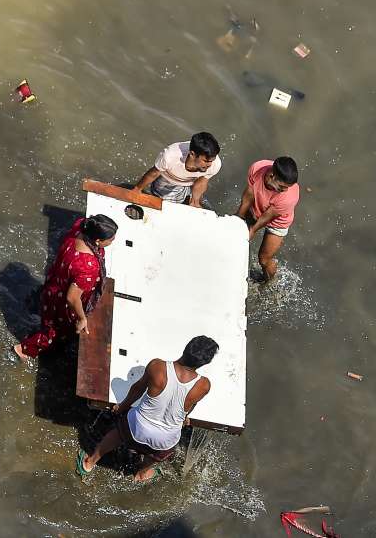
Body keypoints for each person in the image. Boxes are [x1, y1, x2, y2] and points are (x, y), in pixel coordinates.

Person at [78, 336, 219, 482]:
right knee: (163, 449)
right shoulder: (204, 385)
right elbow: (189, 406)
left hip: (135, 430)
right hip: (164, 443)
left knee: (118, 433)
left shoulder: (157, 366)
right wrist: (184, 418)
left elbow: (137, 389)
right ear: (205, 363)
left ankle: (90, 462)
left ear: (186, 348)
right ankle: (141, 474)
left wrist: (122, 407)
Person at [12, 214, 118, 362]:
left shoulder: (80, 228)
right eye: (111, 239)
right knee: (55, 330)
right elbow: (72, 298)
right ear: (98, 241)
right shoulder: (88, 266)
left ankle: (37, 308)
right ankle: (23, 350)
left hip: (57, 281)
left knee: (47, 311)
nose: (113, 241)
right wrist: (82, 319)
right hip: (63, 300)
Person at [235, 156, 300, 281]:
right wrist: (239, 215)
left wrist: (252, 230)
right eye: (281, 187)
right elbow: (249, 194)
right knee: (239, 236)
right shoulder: (258, 168)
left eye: (287, 187)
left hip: (278, 221)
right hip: (257, 207)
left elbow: (267, 216)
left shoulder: (289, 197)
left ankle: (268, 281)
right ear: (271, 176)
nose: (285, 190)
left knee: (264, 259)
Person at [131, 132, 222, 207]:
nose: (209, 164)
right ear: (192, 154)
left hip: (189, 182)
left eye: (211, 161)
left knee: (197, 204)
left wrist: (195, 202)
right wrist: (137, 189)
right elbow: (154, 173)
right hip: (168, 179)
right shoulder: (170, 156)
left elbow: (202, 182)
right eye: (206, 161)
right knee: (166, 204)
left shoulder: (215, 164)